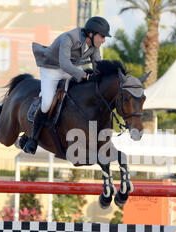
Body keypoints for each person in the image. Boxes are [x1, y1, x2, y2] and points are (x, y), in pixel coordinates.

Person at [23, 16, 111, 154]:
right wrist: (84, 75)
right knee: (46, 104)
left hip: (70, 70)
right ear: (91, 34)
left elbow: (97, 65)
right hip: (51, 69)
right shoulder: (69, 38)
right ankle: (32, 138)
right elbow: (64, 64)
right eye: (102, 36)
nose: (104, 40)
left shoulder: (94, 46)